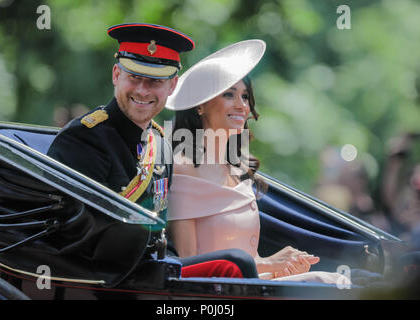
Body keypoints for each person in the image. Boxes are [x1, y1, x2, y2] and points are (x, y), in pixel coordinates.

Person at [47, 23, 258, 278]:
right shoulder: (84, 138)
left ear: (171, 87)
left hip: (146, 273)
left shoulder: (160, 145)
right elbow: (76, 237)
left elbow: (159, 236)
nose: (142, 90)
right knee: (235, 263)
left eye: (155, 81)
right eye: (134, 77)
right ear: (116, 75)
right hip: (103, 279)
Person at [165, 40, 351, 284]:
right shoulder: (182, 168)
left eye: (245, 96)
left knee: (346, 279)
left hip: (250, 285)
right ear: (200, 105)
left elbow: (251, 259)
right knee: (331, 283)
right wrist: (270, 264)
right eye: (229, 94)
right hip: (214, 294)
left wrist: (282, 268)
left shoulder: (240, 168)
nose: (242, 105)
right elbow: (189, 265)